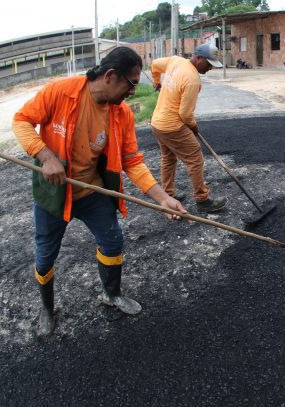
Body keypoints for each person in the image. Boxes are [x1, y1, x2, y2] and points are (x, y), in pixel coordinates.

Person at [12, 46, 187, 336]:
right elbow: (21, 120)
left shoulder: (122, 115)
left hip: (92, 191)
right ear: (110, 76)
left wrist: (164, 199)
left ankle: (112, 294)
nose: (133, 91)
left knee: (112, 241)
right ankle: (47, 307)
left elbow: (132, 162)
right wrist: (45, 156)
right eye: (131, 83)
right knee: (45, 255)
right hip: (54, 192)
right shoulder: (60, 92)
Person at [150, 43, 227, 213]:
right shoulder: (192, 79)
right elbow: (185, 114)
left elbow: (154, 65)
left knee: (168, 158)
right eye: (208, 64)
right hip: (172, 126)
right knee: (195, 158)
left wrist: (157, 82)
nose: (210, 69)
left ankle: (168, 194)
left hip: (157, 123)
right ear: (198, 58)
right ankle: (202, 200)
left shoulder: (175, 61)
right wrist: (194, 127)